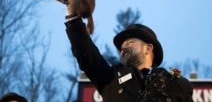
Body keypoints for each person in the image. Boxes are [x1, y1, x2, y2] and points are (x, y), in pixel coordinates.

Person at [65, 10, 194, 102]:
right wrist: (73, 16)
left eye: (130, 42)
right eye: (122, 46)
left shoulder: (177, 83)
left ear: (148, 49)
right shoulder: (111, 78)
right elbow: (87, 54)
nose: (123, 47)